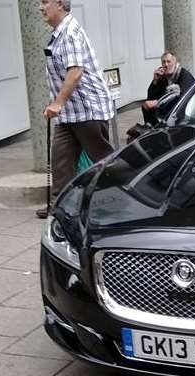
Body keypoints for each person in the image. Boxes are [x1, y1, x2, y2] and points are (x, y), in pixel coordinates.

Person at [37, 0, 114, 219]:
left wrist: (57, 103)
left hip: (88, 110)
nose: (40, 7)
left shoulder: (70, 32)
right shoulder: (59, 33)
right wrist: (60, 104)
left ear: (60, 4)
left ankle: (119, 198)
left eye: (45, 2)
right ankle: (59, 206)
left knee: (102, 161)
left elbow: (75, 73)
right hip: (70, 113)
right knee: (61, 160)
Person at [142, 51, 195, 125]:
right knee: (145, 106)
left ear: (175, 63)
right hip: (168, 106)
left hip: (185, 109)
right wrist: (155, 81)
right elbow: (150, 98)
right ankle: (151, 128)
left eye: (169, 62)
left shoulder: (184, 75)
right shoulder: (163, 76)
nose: (166, 64)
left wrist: (158, 102)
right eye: (163, 62)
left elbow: (182, 97)